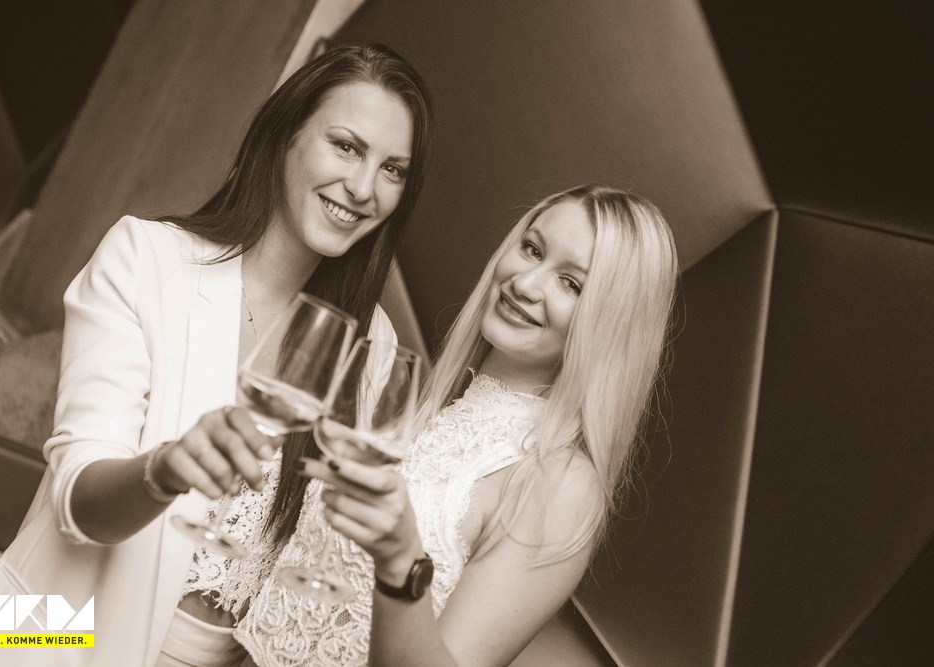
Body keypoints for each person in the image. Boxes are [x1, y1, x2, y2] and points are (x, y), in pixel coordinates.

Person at [0, 42, 433, 667]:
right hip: (51, 626)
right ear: (287, 135)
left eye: (393, 170)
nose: (363, 187)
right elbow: (76, 503)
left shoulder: (373, 342)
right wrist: (166, 469)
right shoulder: (145, 257)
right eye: (346, 146)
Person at [233, 183, 680, 666]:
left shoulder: (562, 482)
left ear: (611, 325)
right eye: (532, 249)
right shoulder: (431, 411)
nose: (526, 284)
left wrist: (401, 565)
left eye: (571, 283)